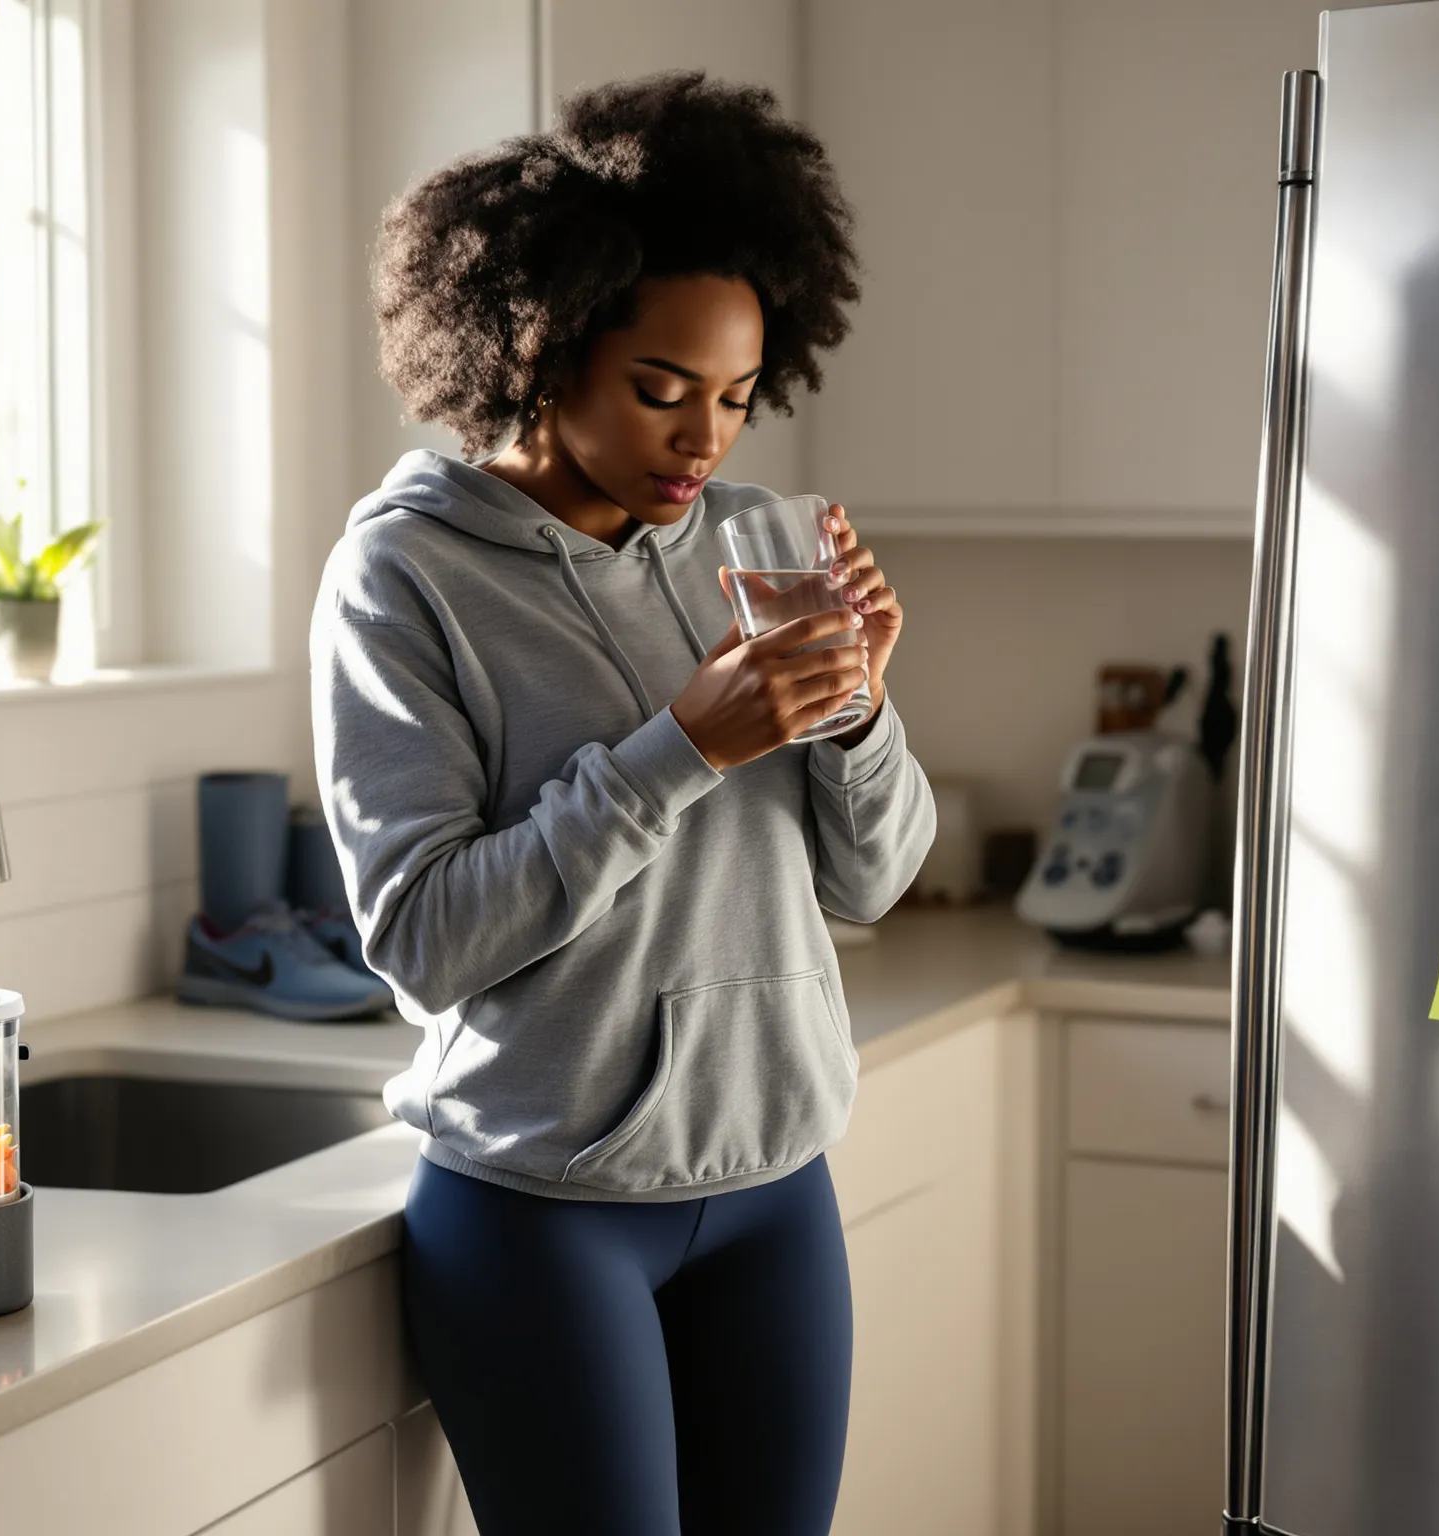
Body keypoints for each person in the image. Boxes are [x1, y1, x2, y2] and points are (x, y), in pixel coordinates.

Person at [311, 72, 936, 1535]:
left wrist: (857, 714)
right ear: (534, 348)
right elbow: (421, 939)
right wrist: (681, 746)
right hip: (543, 1216)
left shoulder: (762, 539)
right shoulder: (405, 577)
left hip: (776, 1181)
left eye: (733, 396)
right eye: (661, 390)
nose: (702, 440)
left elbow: (873, 881)